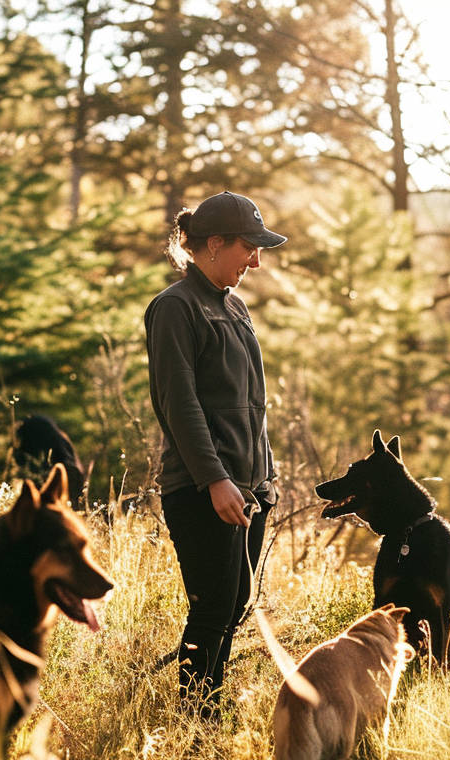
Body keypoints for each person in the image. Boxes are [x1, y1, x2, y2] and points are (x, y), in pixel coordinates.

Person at [145, 191, 287, 719]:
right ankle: (196, 726)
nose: (256, 261)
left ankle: (208, 716)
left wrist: (265, 476)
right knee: (211, 614)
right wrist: (215, 480)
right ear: (213, 244)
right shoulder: (173, 308)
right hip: (204, 491)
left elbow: (250, 402)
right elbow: (177, 404)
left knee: (234, 607)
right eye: (249, 248)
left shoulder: (234, 304)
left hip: (249, 491)